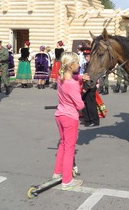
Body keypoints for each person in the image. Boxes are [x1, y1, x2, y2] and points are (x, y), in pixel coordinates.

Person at [52, 52, 85, 191]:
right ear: (71, 66)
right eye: (77, 63)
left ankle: (57, 173)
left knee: (63, 144)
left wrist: (82, 78)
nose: (79, 65)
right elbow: (80, 105)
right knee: (69, 149)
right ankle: (67, 181)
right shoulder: (72, 84)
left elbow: (73, 79)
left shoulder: (61, 78)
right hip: (70, 117)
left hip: (59, 114)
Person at [80, 48, 100, 127]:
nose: (86, 58)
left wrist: (85, 88)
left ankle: (94, 121)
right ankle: (87, 120)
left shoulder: (92, 66)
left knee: (91, 104)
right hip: (87, 86)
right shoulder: (88, 64)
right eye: (85, 56)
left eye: (87, 56)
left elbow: (91, 78)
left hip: (90, 87)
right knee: (85, 103)